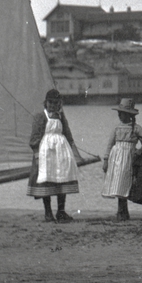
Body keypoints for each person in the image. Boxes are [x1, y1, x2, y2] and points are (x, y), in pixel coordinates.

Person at [27, 88, 83, 222]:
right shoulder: (41, 117)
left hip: (61, 153)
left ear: (60, 104)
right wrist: (37, 155)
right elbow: (34, 138)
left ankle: (61, 211)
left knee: (62, 179)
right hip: (45, 154)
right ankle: (48, 212)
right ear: (45, 103)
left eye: (55, 103)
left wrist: (74, 154)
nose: (52, 105)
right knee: (46, 181)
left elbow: (68, 135)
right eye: (50, 102)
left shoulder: (61, 117)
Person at [101, 98, 142, 220]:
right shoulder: (116, 128)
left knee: (125, 182)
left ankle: (123, 211)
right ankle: (121, 211)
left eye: (123, 113)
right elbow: (110, 144)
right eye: (119, 113)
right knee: (118, 182)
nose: (120, 115)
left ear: (130, 115)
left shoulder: (137, 128)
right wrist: (106, 160)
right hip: (116, 158)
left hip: (129, 157)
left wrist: (139, 151)